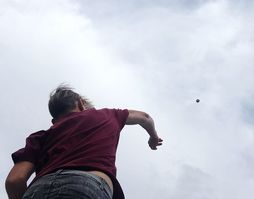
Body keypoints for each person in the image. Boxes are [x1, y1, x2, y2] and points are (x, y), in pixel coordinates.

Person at [5, 85, 163, 199]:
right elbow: (144, 117)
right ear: (80, 104)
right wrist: (153, 137)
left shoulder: (40, 137)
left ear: (54, 120)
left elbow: (14, 180)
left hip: (38, 189)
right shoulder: (107, 115)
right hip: (87, 186)